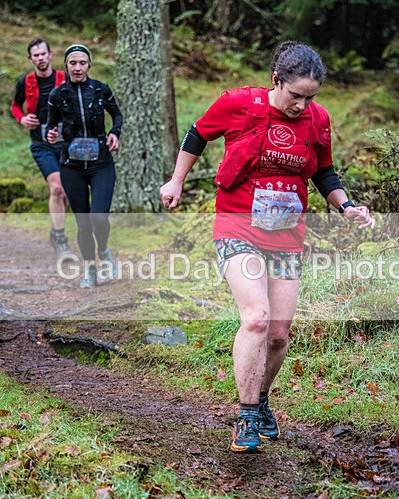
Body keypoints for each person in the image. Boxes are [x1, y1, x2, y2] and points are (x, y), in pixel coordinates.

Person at [160, 41, 375, 453]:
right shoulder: (237, 103)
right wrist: (177, 180)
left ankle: (260, 402)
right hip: (236, 226)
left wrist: (347, 206)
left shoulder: (318, 120)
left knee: (278, 334)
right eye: (296, 95)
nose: (302, 105)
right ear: (276, 80)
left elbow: (325, 174)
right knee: (256, 319)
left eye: (310, 97)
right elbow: (197, 134)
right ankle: (245, 418)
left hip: (287, 236)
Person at [45, 44, 123, 288]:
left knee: (99, 218)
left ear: (89, 65)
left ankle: (103, 250)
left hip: (101, 164)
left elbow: (117, 115)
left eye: (82, 63)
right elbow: (50, 126)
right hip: (72, 167)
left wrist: (115, 133)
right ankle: (90, 271)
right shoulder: (57, 95)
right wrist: (50, 134)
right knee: (83, 222)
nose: (77, 68)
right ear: (66, 66)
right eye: (72, 63)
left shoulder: (101, 89)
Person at [11, 38, 70, 258]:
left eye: (43, 54)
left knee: (64, 193)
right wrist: (22, 119)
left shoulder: (64, 78)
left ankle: (55, 233)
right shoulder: (24, 82)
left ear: (50, 54)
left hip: (66, 144)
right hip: (41, 144)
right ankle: (61, 239)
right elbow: (15, 105)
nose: (40, 58)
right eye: (35, 55)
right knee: (56, 188)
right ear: (30, 59)